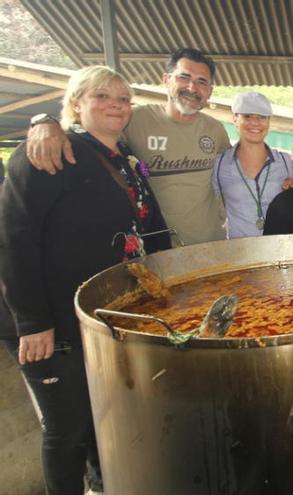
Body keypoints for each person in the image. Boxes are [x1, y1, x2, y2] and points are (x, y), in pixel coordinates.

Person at [0, 66, 171, 495]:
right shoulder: (50, 152)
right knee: (68, 430)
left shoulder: (125, 159)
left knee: (103, 418)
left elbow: (149, 229)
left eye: (123, 99)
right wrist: (32, 321)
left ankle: (100, 487)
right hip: (52, 321)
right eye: (102, 96)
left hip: (101, 314)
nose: (116, 104)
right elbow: (14, 240)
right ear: (76, 102)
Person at [26, 48, 230, 246]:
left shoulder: (215, 129)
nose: (192, 88)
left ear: (210, 91)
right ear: (166, 80)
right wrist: (45, 122)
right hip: (157, 249)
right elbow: (87, 129)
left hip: (210, 243)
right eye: (183, 77)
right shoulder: (134, 119)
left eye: (202, 82)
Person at [212, 91, 293, 238]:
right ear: (235, 119)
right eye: (247, 116)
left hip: (281, 248)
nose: (255, 123)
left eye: (262, 117)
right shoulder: (219, 165)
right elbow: (206, 204)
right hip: (240, 252)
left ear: (269, 122)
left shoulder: (286, 162)